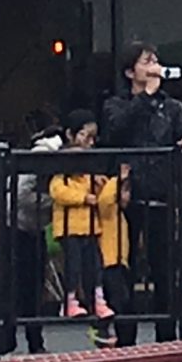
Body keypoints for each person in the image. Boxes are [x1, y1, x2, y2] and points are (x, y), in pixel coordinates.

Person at [98, 42, 182, 342]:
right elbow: (117, 129)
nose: (153, 65)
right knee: (124, 267)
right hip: (128, 197)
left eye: (155, 60)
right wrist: (147, 96)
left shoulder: (173, 107)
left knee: (164, 269)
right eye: (146, 61)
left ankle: (166, 337)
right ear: (131, 72)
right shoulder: (116, 104)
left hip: (163, 194)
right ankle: (125, 335)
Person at [0, 110, 61, 355]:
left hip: (28, 224)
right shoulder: (45, 156)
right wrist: (53, 201)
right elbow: (22, 194)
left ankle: (18, 339)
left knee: (25, 286)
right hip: (22, 225)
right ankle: (24, 339)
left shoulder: (37, 153)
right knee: (23, 285)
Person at [48, 111, 114, 321]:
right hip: (70, 226)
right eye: (86, 136)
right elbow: (57, 190)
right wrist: (84, 198)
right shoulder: (63, 165)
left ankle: (97, 300)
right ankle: (70, 301)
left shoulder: (89, 168)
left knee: (94, 265)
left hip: (90, 225)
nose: (90, 142)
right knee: (73, 266)